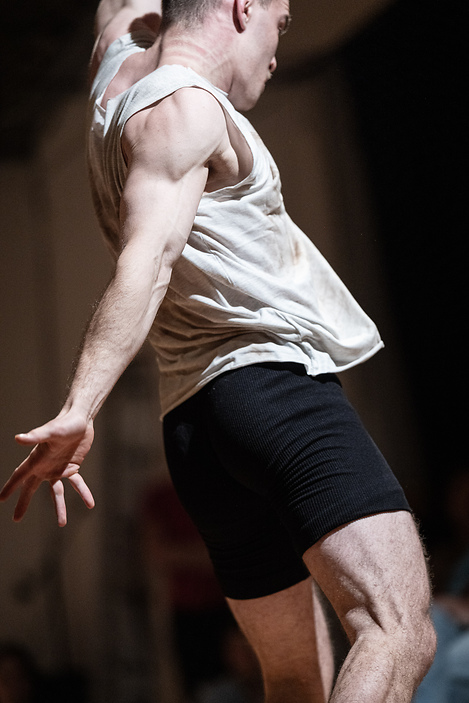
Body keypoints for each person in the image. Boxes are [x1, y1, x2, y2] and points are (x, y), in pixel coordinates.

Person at [1, 0, 436, 700]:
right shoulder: (187, 109)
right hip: (272, 393)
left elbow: (120, 10)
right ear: (241, 7)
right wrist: (80, 406)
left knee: (294, 680)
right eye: (279, 22)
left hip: (196, 430)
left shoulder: (113, 75)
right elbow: (149, 258)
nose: (276, 50)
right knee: (396, 627)